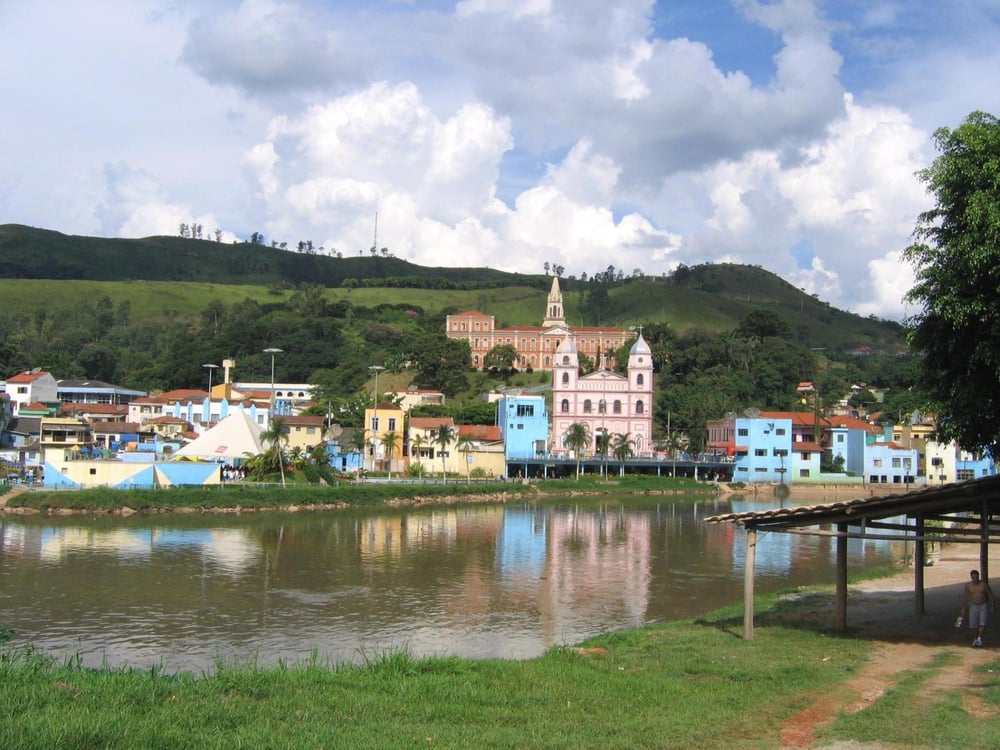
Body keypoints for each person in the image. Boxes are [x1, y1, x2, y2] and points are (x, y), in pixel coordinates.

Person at [961, 569, 996, 647]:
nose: (975, 579)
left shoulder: (983, 585)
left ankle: (979, 638)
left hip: (983, 605)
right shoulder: (968, 585)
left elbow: (990, 595)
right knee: (974, 624)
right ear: (971, 577)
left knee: (983, 623)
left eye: (976, 577)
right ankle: (975, 638)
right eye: (973, 577)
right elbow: (965, 597)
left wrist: (992, 605)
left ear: (978, 577)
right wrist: (963, 608)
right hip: (973, 605)